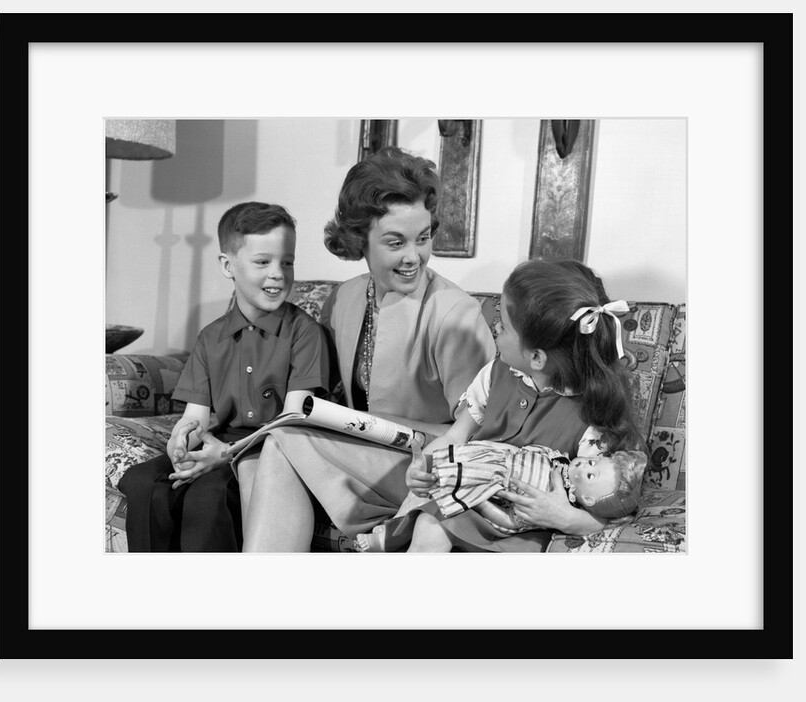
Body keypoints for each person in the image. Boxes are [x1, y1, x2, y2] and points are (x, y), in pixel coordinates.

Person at [237, 146, 497, 551]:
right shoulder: (344, 298)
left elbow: (480, 434)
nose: (414, 257)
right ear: (360, 240)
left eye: (423, 238)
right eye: (396, 243)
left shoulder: (454, 313)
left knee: (282, 440)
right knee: (253, 456)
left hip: (430, 470)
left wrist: (378, 420)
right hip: (362, 452)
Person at [359, 258, 648, 552]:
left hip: (524, 526)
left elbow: (609, 511)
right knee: (429, 526)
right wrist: (423, 468)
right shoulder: (496, 373)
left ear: (537, 357)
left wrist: (565, 518)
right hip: (472, 495)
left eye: (505, 326)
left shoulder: (591, 417)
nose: (495, 326)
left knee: (434, 526)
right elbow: (455, 437)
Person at [117, 201, 331, 552]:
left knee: (207, 497)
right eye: (263, 262)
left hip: (275, 447)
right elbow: (195, 418)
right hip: (221, 439)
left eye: (287, 262)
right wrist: (181, 443)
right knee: (143, 481)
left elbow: (291, 423)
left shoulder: (304, 333)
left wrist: (225, 454)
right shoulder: (210, 337)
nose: (278, 273)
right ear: (227, 265)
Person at [355, 442, 647, 551]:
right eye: (595, 461)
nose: (587, 465)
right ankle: (389, 535)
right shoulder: (560, 460)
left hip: (489, 515)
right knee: (431, 506)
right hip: (484, 476)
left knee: (437, 521)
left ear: (588, 499)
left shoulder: (551, 500)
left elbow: (510, 521)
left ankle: (393, 541)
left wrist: (479, 499)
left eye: (592, 475)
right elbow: (524, 451)